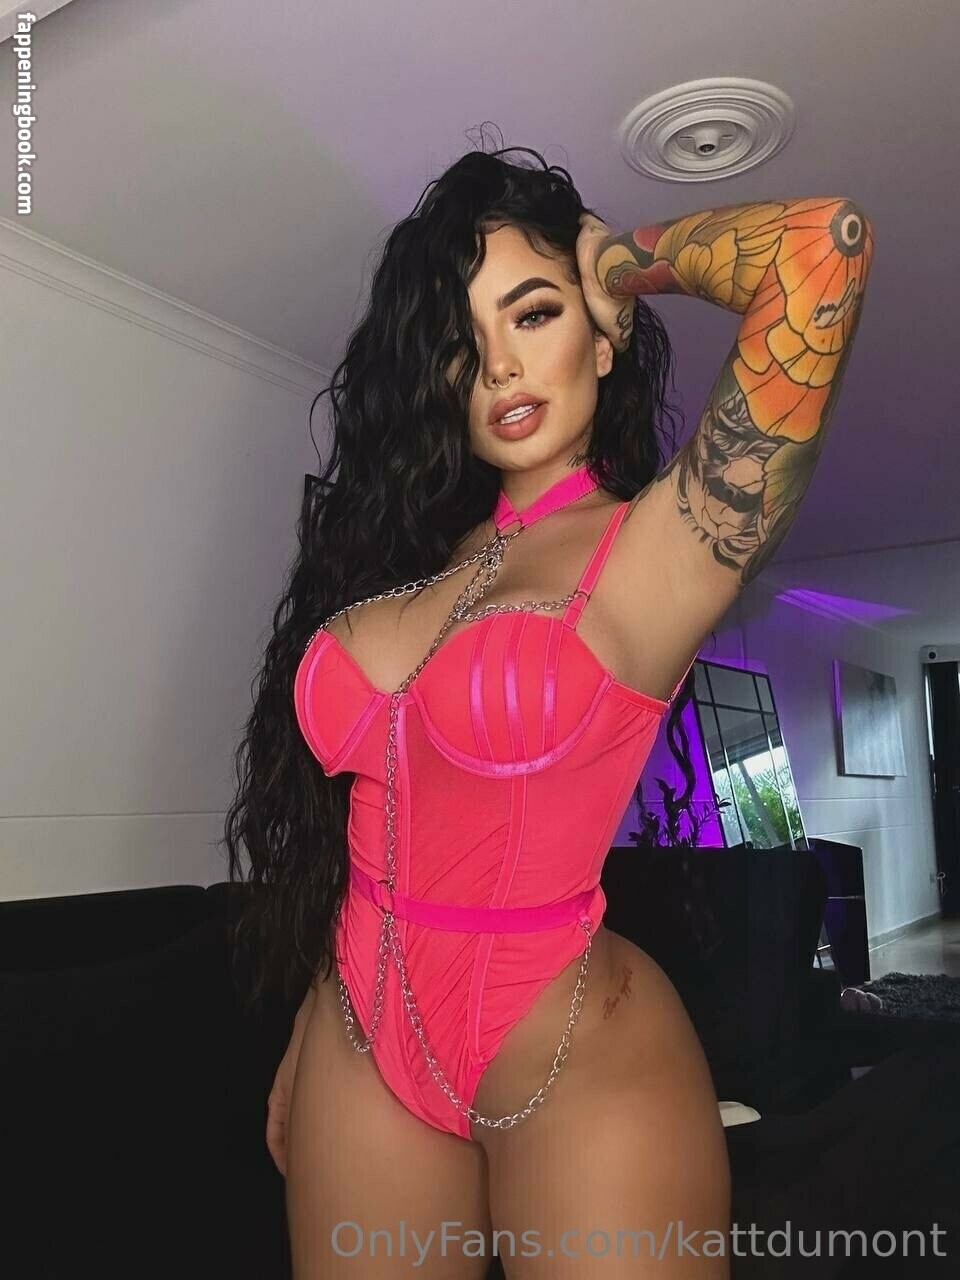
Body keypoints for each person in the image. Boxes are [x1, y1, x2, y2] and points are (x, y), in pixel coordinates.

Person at [223, 137, 874, 1277]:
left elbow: (823, 250)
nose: (500, 365)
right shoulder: (412, 558)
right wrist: (312, 1020)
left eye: (533, 312)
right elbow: (383, 818)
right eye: (462, 338)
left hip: (568, 1048)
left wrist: (616, 262)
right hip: (357, 1031)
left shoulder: (660, 546)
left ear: (601, 334)